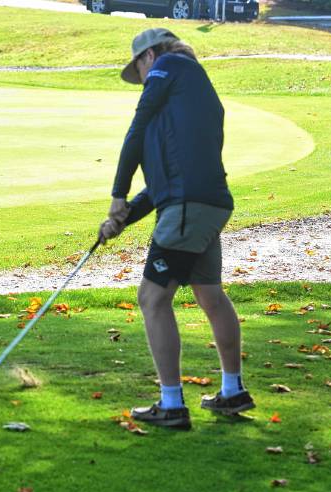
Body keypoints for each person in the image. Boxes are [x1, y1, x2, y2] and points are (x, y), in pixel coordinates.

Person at [98, 28, 254, 430]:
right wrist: (123, 218)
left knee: (152, 298)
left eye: (139, 69)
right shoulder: (184, 104)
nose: (142, 81)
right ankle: (232, 391)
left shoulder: (170, 65)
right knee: (209, 294)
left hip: (189, 207)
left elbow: (135, 128)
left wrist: (117, 194)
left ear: (150, 56)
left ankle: (171, 403)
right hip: (206, 204)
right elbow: (161, 187)